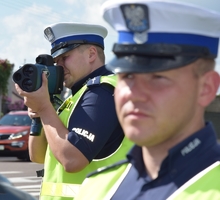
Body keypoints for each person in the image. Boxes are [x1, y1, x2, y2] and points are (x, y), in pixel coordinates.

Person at [74, 0, 220, 199]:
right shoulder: (95, 188)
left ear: (206, 88)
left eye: (158, 77)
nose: (134, 93)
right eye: (127, 76)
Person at [15, 22, 133, 200]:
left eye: (65, 57)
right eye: (56, 61)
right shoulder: (75, 97)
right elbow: (37, 155)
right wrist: (38, 115)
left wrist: (45, 108)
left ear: (91, 54)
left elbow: (72, 160)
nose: (59, 66)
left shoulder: (102, 91)